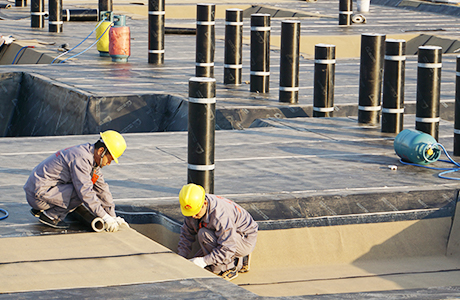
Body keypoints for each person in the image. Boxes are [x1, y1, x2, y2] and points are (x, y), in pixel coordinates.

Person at [24, 130, 128, 231]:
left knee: (89, 185)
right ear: (101, 151)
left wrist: (112, 216)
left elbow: (102, 189)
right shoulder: (82, 158)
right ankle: (51, 216)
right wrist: (104, 216)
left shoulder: (90, 158)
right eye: (110, 159)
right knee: (81, 193)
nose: (109, 163)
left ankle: (43, 208)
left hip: (39, 189)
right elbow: (85, 191)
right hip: (37, 195)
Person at [177, 183, 258, 281]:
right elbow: (186, 235)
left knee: (204, 234)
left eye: (196, 212)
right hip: (228, 234)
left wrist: (204, 261)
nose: (193, 216)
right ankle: (238, 258)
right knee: (196, 258)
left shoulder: (221, 216)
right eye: (191, 213)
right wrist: (181, 258)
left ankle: (230, 267)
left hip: (244, 238)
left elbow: (228, 247)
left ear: (205, 204)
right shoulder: (193, 205)